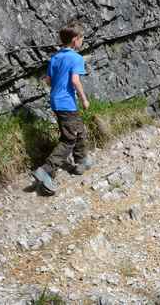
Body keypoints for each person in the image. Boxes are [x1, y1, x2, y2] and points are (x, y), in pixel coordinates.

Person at [32, 22, 92, 195]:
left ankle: (81, 161)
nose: (82, 41)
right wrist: (84, 99)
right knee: (68, 139)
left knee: (77, 129)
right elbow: (75, 80)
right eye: (81, 38)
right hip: (67, 102)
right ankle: (45, 170)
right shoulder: (76, 58)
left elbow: (48, 81)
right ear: (75, 40)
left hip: (56, 101)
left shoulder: (55, 58)